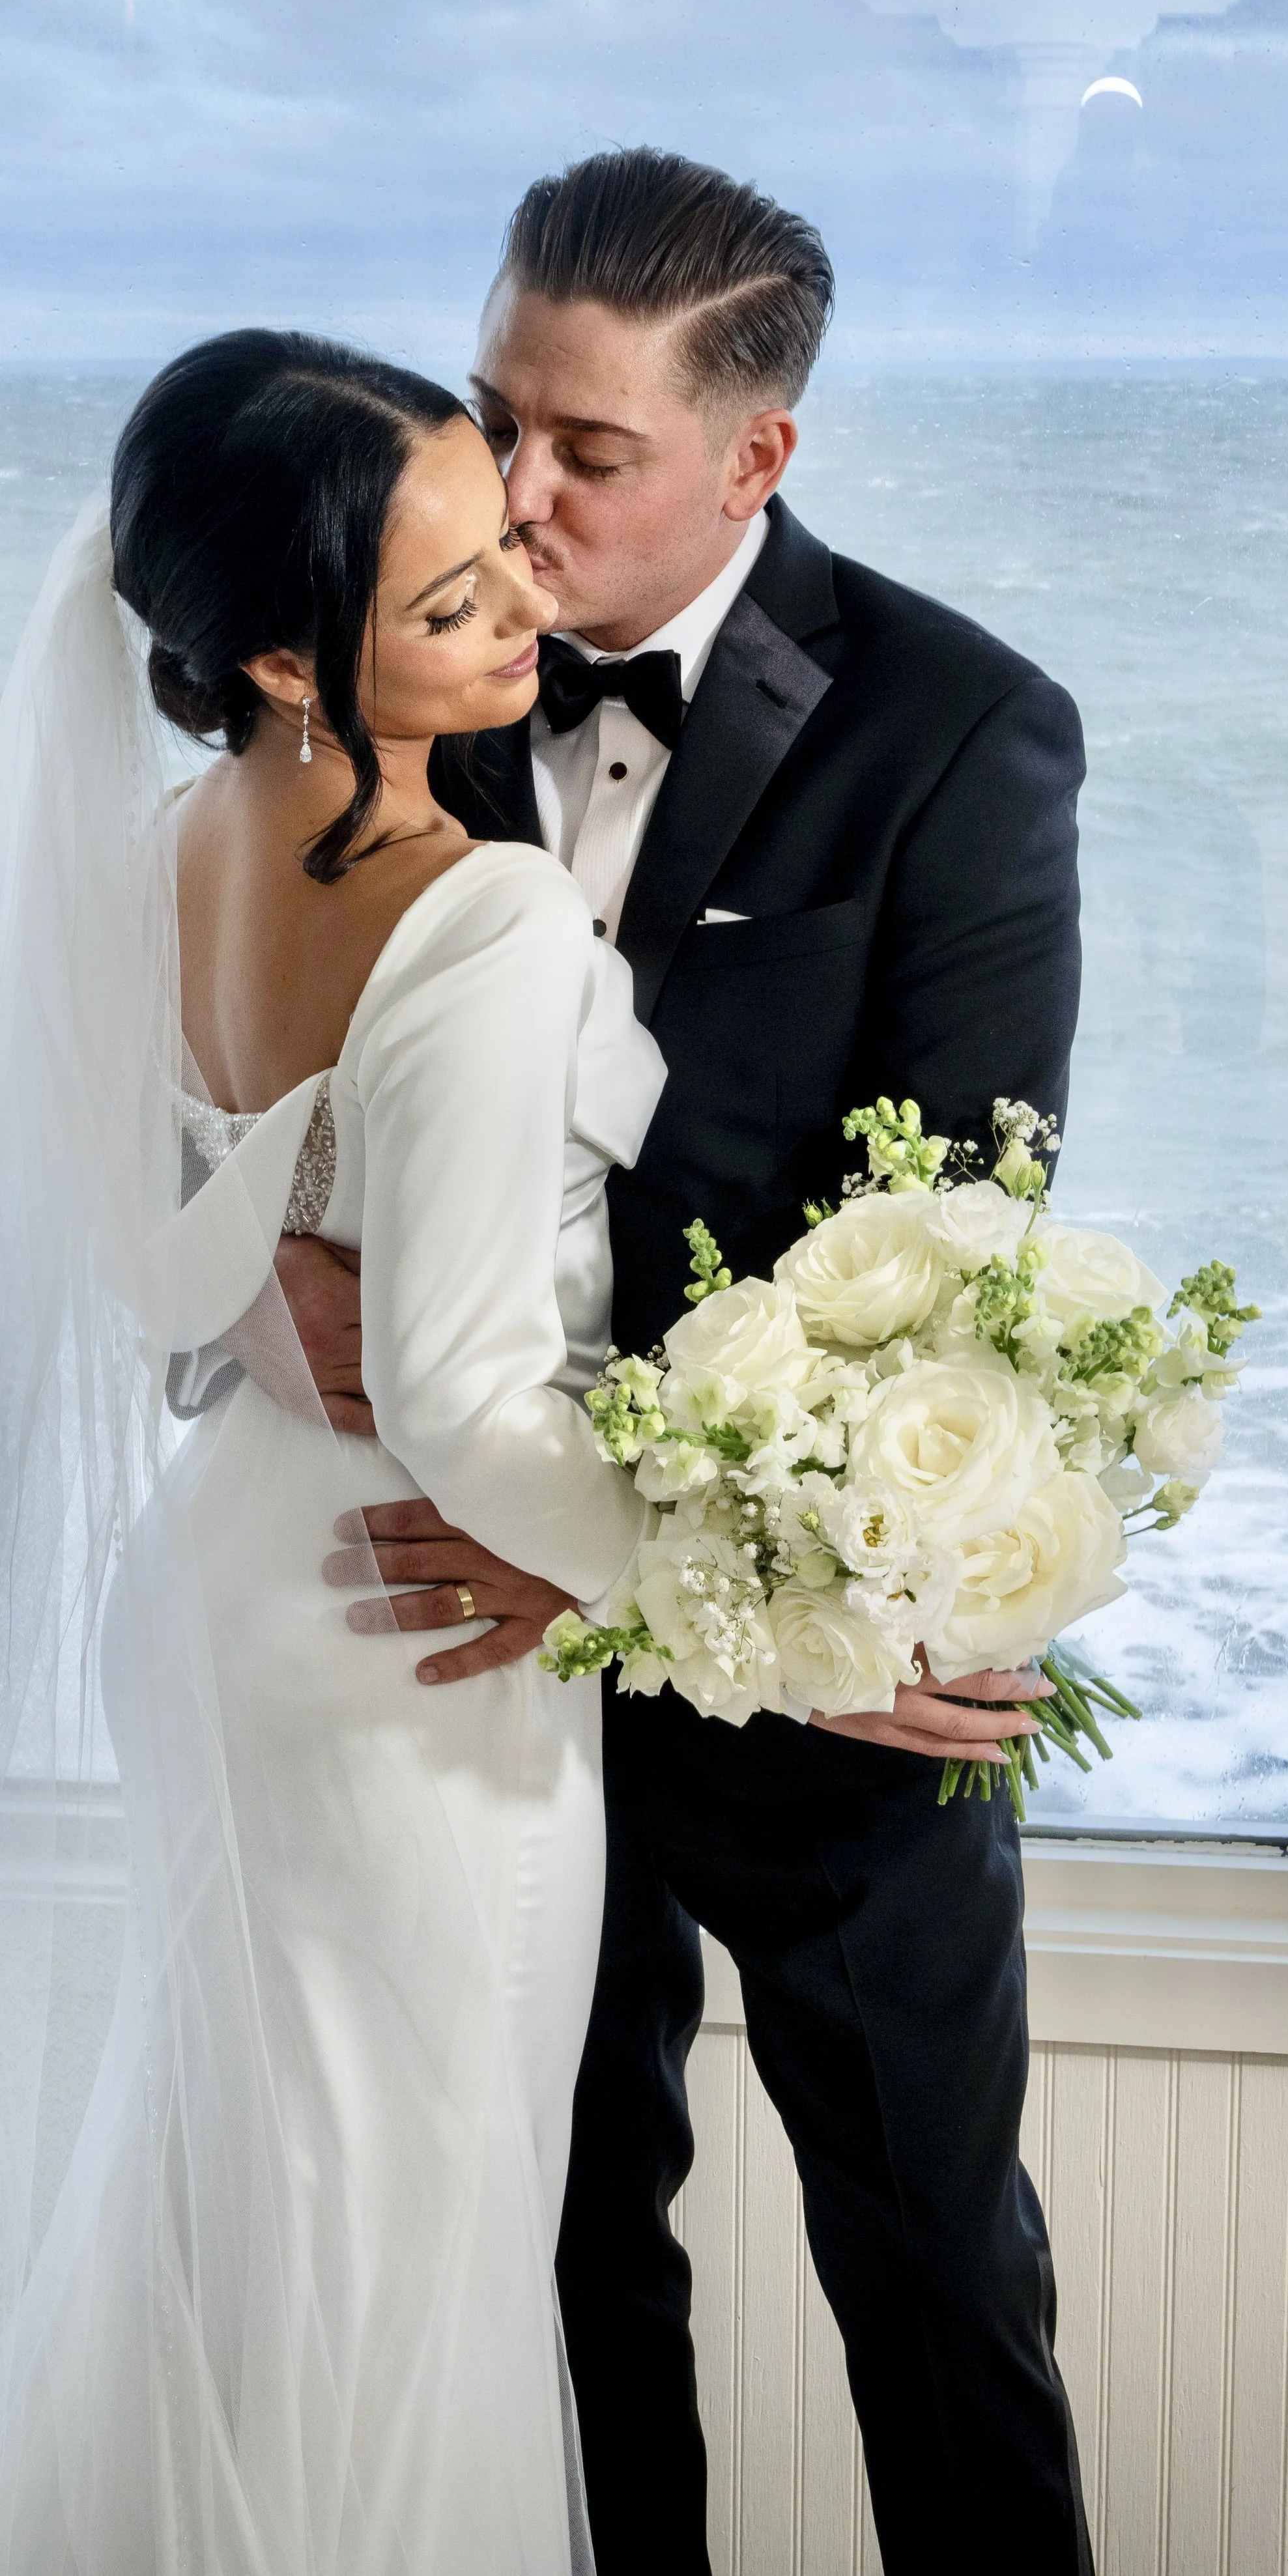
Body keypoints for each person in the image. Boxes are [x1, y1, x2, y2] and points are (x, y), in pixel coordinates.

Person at [291, 151, 1093, 2574]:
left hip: (819, 1676)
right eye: (490, 413)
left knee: (936, 2272)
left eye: (592, 450)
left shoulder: (963, 729)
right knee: (551, 2259)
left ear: (759, 455)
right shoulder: (381, 673)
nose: (514, 503)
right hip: (463, 1662)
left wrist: (655, 1579)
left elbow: (943, 1251)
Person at [0, 329, 666, 2571]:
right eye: (454, 600)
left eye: (505, 550)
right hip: (414, 1639)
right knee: (407, 2259)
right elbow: (471, 1394)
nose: (527, 614)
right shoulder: (475, 917)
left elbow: (124, 1219)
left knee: (240, 2217)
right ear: (287, 655)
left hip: (212, 1607)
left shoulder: (148, 845)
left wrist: (275, 1303)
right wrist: (702, 1569)